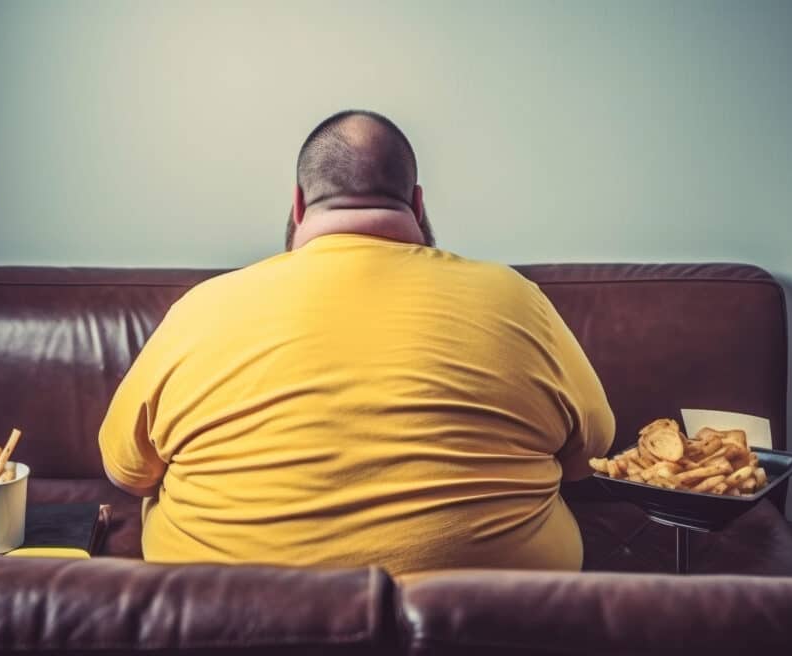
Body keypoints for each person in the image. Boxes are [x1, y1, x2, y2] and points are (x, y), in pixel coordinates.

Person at [99, 110, 615, 573]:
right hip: (485, 637)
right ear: (416, 202)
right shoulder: (516, 299)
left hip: (238, 636)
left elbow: (128, 470)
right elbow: (588, 455)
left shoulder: (202, 308)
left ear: (299, 204)